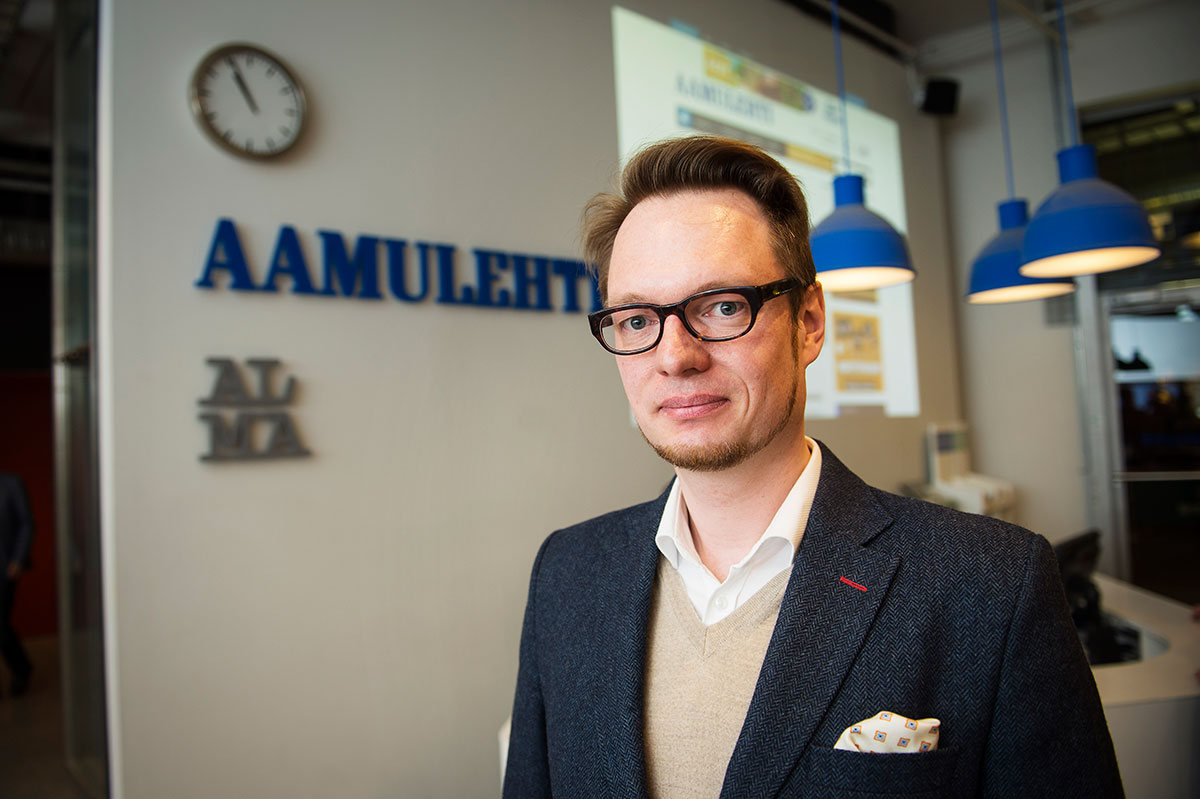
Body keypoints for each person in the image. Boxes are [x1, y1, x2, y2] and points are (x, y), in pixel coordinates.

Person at [503, 136, 1123, 798]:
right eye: (635, 320)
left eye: (722, 306)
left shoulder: (991, 584)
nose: (675, 356)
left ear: (809, 322)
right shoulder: (567, 574)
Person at [0, 471, 34, 698]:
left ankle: (21, 668)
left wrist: (18, 559)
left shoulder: (11, 484)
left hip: (4, 568)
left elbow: (26, 523)